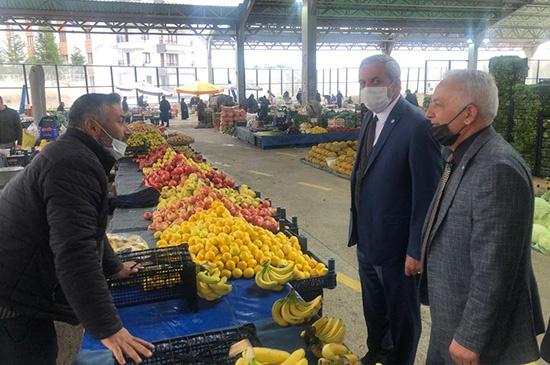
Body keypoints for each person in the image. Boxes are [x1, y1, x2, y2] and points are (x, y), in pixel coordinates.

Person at [0, 93, 154, 365]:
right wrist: (108, 328)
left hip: (20, 278)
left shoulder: (75, 154)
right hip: (12, 293)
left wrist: (113, 266)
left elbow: (88, 225)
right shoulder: (72, 164)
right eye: (120, 121)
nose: (126, 129)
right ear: (93, 126)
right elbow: (75, 250)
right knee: (32, 352)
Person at [420, 69, 545, 365]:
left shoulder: (497, 168)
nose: (428, 113)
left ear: (468, 114)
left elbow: (495, 265)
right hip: (449, 318)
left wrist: (470, 337)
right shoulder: (460, 155)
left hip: (473, 339)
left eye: (438, 104)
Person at [348, 54, 442, 365]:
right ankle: (378, 353)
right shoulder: (369, 119)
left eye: (375, 81)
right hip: (367, 238)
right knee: (374, 308)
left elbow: (427, 194)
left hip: (398, 246)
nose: (367, 88)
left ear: (396, 84)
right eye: (363, 82)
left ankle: (400, 360)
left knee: (402, 315)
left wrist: (416, 248)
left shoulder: (417, 126)